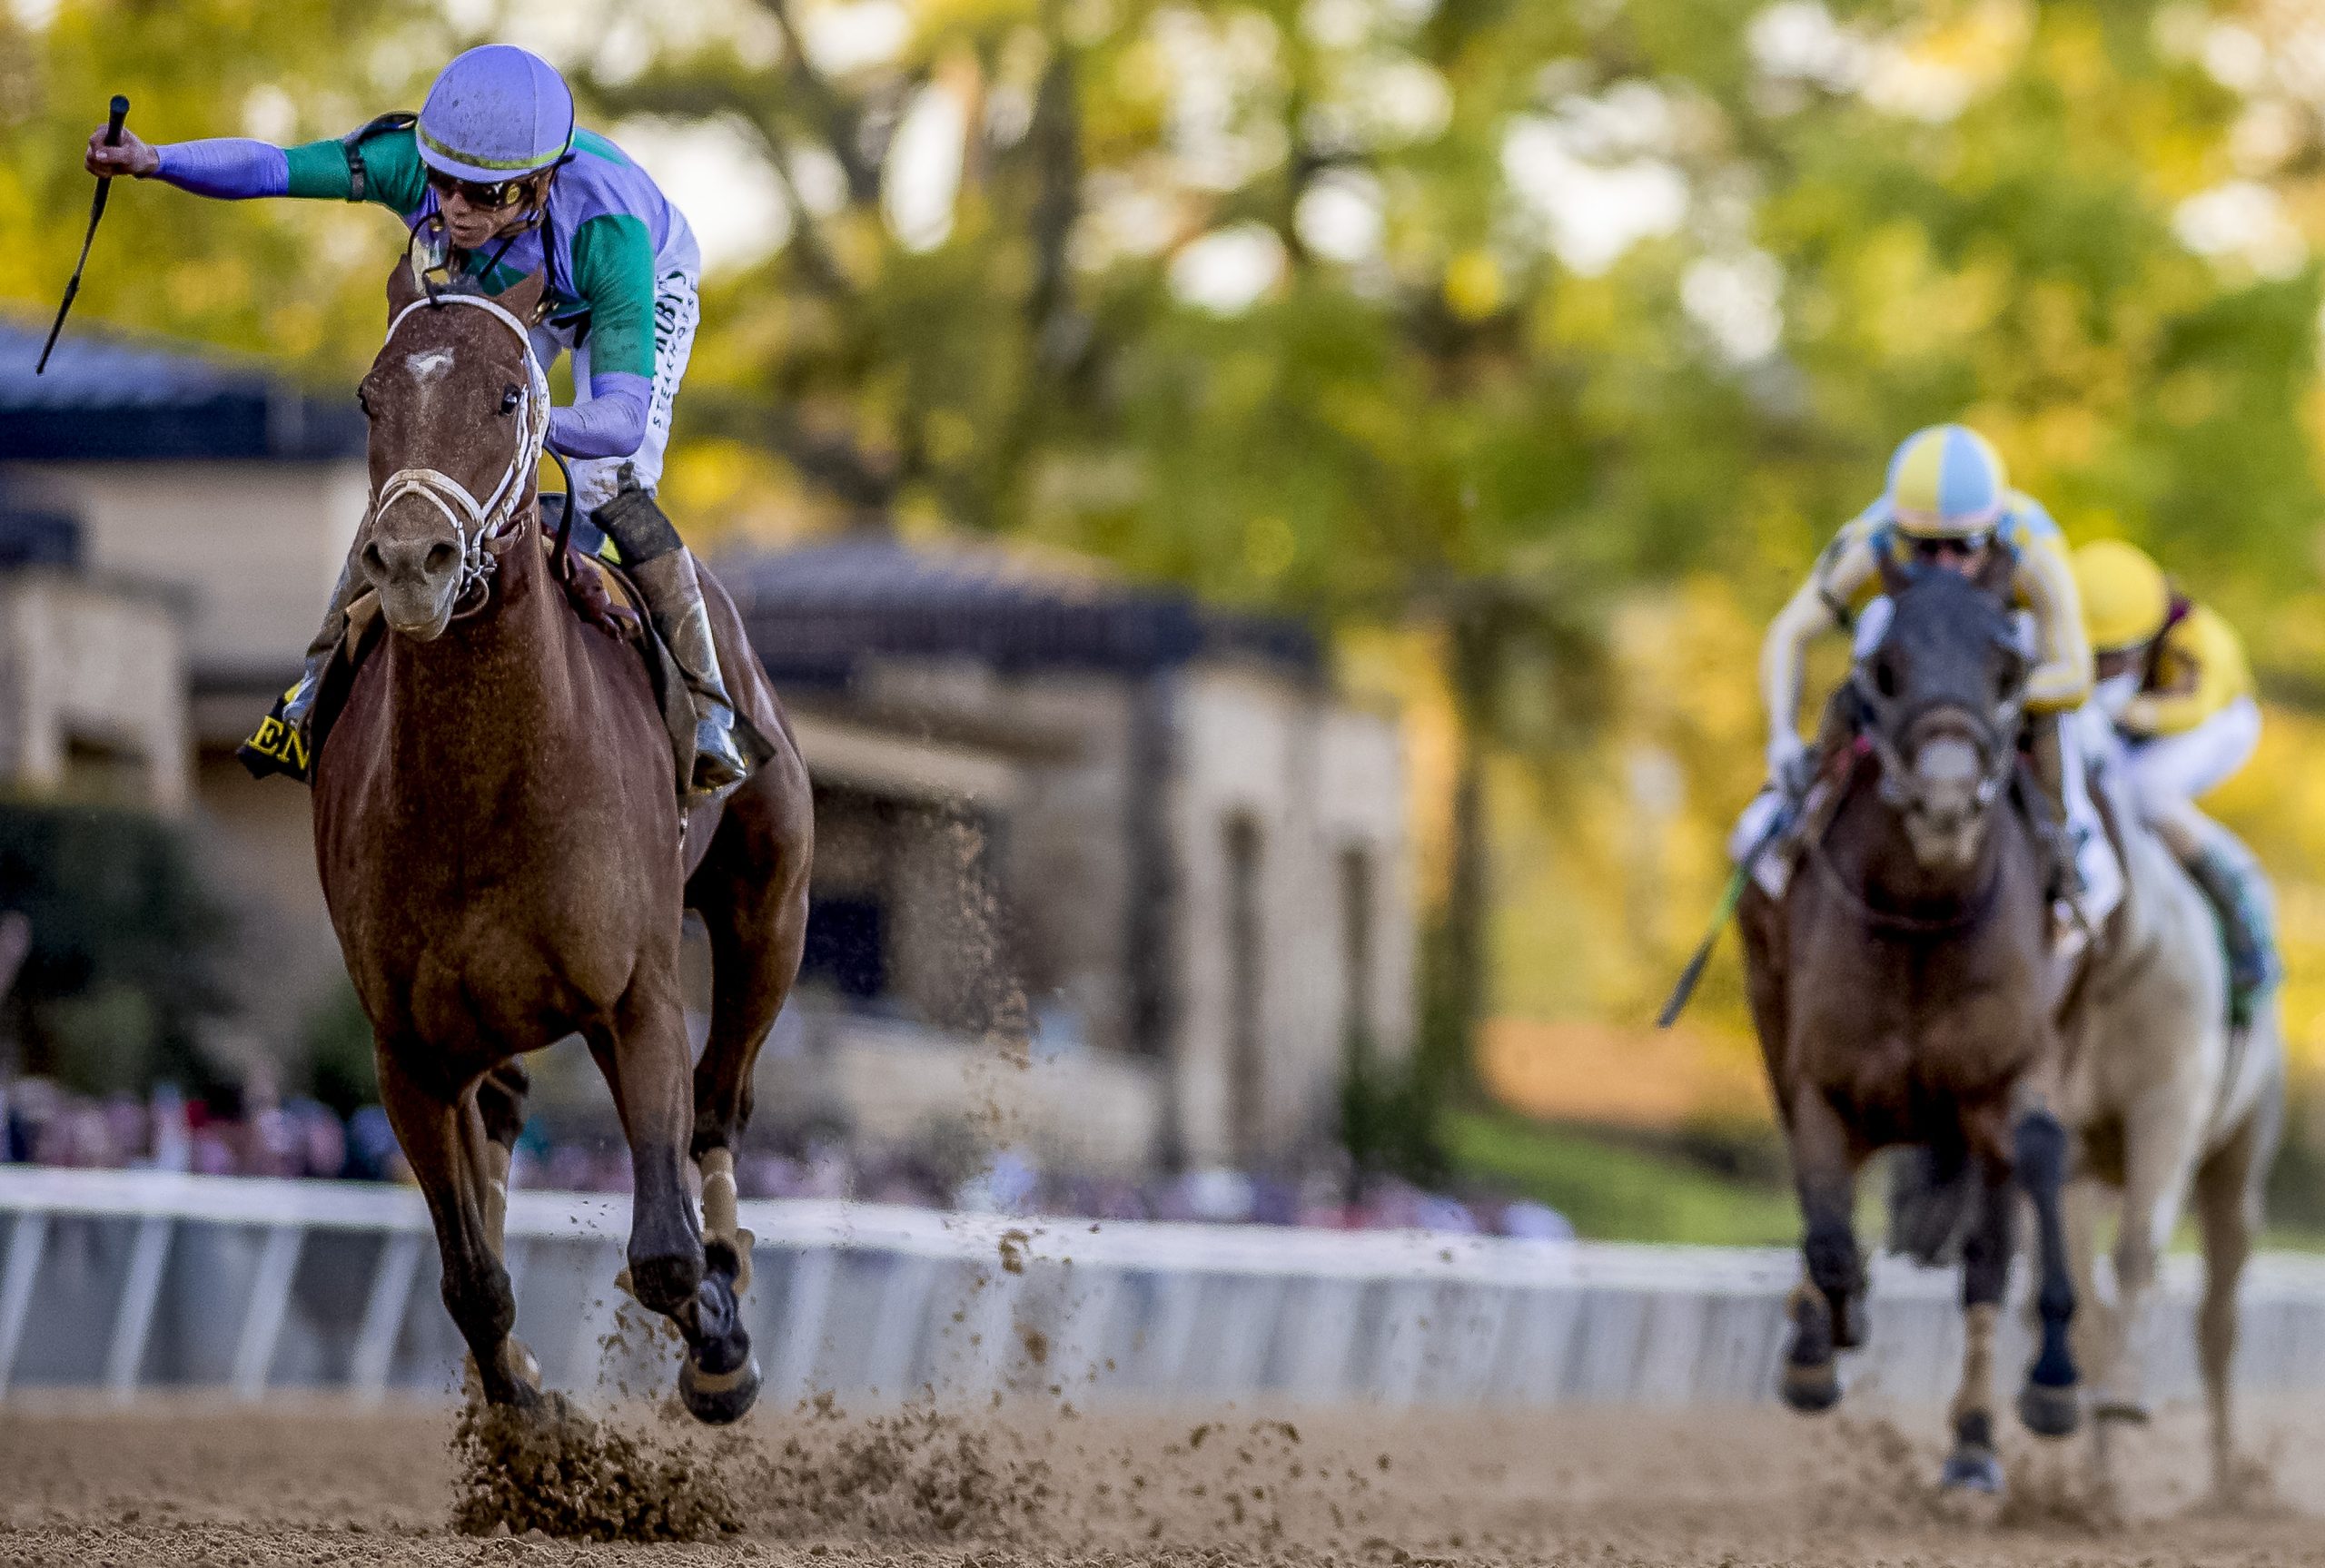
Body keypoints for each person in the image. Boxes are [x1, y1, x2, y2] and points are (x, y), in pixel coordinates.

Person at [86, 43, 752, 794]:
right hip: (510, 286)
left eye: (483, 196)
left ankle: (710, 704)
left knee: (607, 483)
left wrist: (534, 422)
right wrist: (154, 160)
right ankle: (312, 681)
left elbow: (623, 417)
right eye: (444, 186)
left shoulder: (610, 231)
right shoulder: (413, 164)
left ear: (540, 185)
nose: (456, 211)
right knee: (421, 464)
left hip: (624, 290)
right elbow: (274, 168)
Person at [1742, 423, 2106, 930]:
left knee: (2047, 700)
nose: (1945, 564)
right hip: (1914, 649)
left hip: (1995, 656)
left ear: (1994, 531)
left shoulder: (2032, 550)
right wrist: (1780, 736)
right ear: (1900, 533)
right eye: (1925, 549)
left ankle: (2068, 848)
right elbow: (1789, 633)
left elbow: (2075, 675)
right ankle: (1798, 813)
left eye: (1964, 547)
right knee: (1871, 639)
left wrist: (1992, 698)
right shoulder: (1870, 542)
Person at [2072, 538, 2278, 1024]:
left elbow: (2194, 709)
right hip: (2149, 720)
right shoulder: (2121, 610)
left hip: (2218, 724)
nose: (2099, 669)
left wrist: (2130, 711)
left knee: (2147, 794)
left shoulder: (2198, 643)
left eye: (2109, 656)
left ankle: (2238, 911)